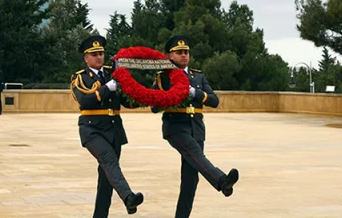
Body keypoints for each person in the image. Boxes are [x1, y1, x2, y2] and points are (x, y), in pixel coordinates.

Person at [153, 36, 239, 217]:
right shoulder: (164, 76)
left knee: (191, 180)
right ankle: (221, 180)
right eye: (179, 53)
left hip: (196, 128)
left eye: (186, 52)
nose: (184, 56)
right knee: (195, 153)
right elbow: (154, 107)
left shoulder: (198, 76)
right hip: (176, 127)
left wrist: (195, 92)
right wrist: (169, 95)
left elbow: (214, 101)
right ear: (171, 56)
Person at [71, 35, 144, 217]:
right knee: (110, 161)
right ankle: (128, 197)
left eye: (101, 53)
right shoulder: (80, 78)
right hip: (92, 129)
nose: (99, 57)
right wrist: (106, 88)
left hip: (114, 130)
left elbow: (127, 101)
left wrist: (146, 98)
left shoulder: (114, 73)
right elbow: (84, 101)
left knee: (106, 178)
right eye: (94, 54)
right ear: (86, 58)